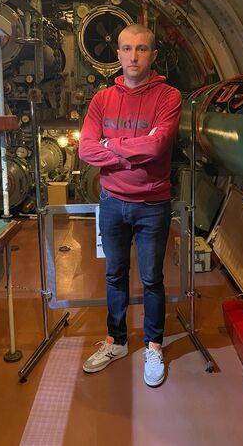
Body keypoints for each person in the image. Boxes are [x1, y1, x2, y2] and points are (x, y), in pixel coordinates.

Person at [78, 23, 182, 387]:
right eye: (126, 48)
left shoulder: (168, 97)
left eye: (141, 49)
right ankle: (117, 341)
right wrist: (130, 151)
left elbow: (157, 147)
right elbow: (85, 149)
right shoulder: (102, 100)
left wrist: (110, 145)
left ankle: (154, 345)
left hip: (152, 204)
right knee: (114, 275)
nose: (133, 56)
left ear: (153, 55)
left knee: (152, 278)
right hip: (111, 203)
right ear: (118, 54)